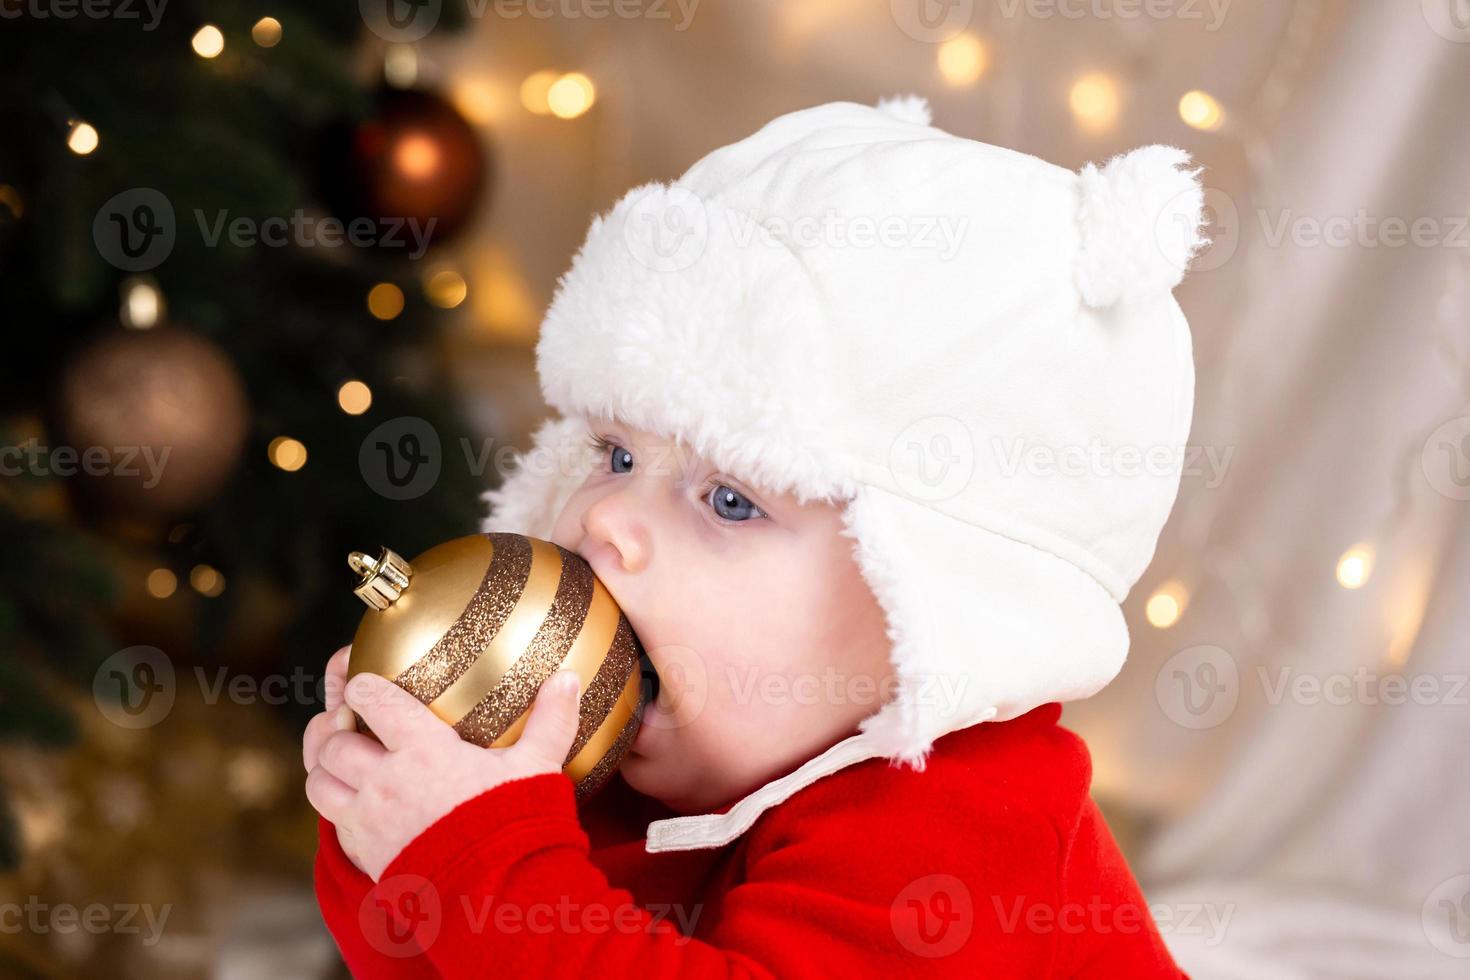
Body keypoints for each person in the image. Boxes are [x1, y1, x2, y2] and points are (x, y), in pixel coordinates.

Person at [304, 94, 1204, 977]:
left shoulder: (959, 826)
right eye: (614, 453)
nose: (605, 519)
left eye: (730, 501)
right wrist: (387, 831)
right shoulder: (632, 756)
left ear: (924, 607)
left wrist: (479, 860)